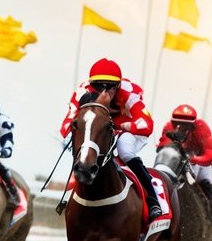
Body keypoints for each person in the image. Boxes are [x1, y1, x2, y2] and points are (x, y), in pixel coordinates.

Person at [61, 58, 161, 221]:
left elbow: (147, 125)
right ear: (92, 84)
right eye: (100, 85)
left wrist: (119, 127)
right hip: (99, 129)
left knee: (124, 148)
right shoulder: (82, 92)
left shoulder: (129, 93)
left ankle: (152, 199)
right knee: (85, 147)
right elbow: (66, 124)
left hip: (126, 129)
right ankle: (70, 193)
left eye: (110, 86)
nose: (105, 90)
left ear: (118, 85)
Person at [158, 104, 212, 221]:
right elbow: (162, 147)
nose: (181, 127)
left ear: (193, 124)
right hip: (179, 157)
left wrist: (194, 158)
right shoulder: (168, 127)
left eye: (186, 125)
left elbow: (209, 156)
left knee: (204, 180)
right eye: (178, 124)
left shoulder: (202, 128)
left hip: (198, 158)